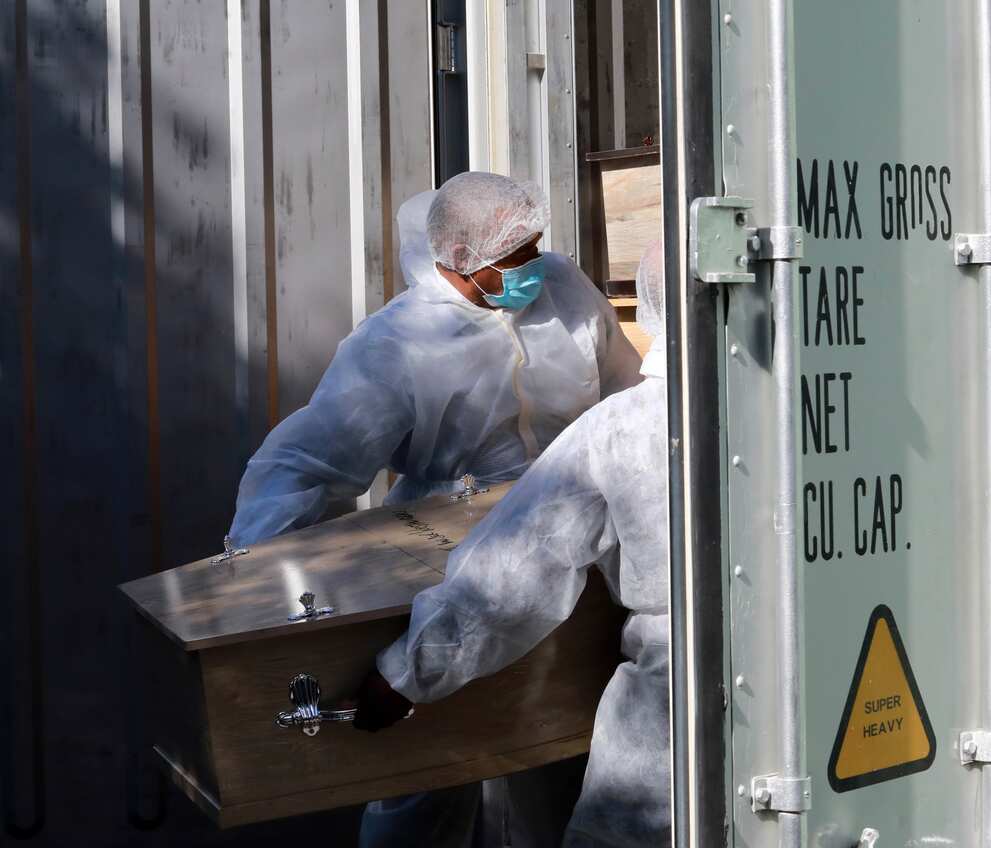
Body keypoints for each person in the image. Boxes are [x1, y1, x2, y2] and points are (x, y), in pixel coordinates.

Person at [355, 240, 672, 847]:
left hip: (670, 709)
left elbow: (512, 575)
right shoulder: (809, 405)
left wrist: (404, 674)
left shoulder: (623, 428)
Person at [227, 171, 641, 547]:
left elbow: (627, 388)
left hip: (578, 511)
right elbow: (306, 459)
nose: (534, 263)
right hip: (451, 532)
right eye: (515, 255)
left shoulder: (562, 285)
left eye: (534, 246)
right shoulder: (397, 341)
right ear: (462, 258)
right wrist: (256, 564)